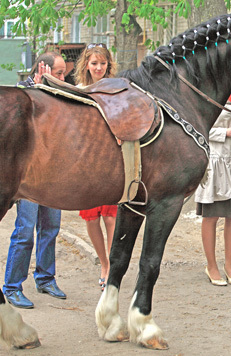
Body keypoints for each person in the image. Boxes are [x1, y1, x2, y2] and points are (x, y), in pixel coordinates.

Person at [3, 52, 67, 309]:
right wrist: (38, 88)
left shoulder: (62, 93)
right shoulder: (22, 94)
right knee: (25, 231)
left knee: (51, 227)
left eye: (64, 73)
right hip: (27, 176)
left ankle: (45, 278)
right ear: (43, 68)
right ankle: (12, 286)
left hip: (53, 173)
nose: (63, 78)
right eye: (59, 73)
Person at [195, 88, 231, 286]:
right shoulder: (208, 90)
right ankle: (211, 265)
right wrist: (225, 132)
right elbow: (198, 126)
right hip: (217, 160)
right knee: (211, 215)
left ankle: (229, 265)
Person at [74, 43, 118, 290]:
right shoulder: (79, 90)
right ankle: (102, 262)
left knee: (111, 217)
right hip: (85, 160)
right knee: (91, 219)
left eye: (103, 63)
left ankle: (111, 266)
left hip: (110, 158)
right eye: (94, 63)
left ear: (108, 65)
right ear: (86, 65)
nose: (99, 68)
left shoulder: (116, 87)